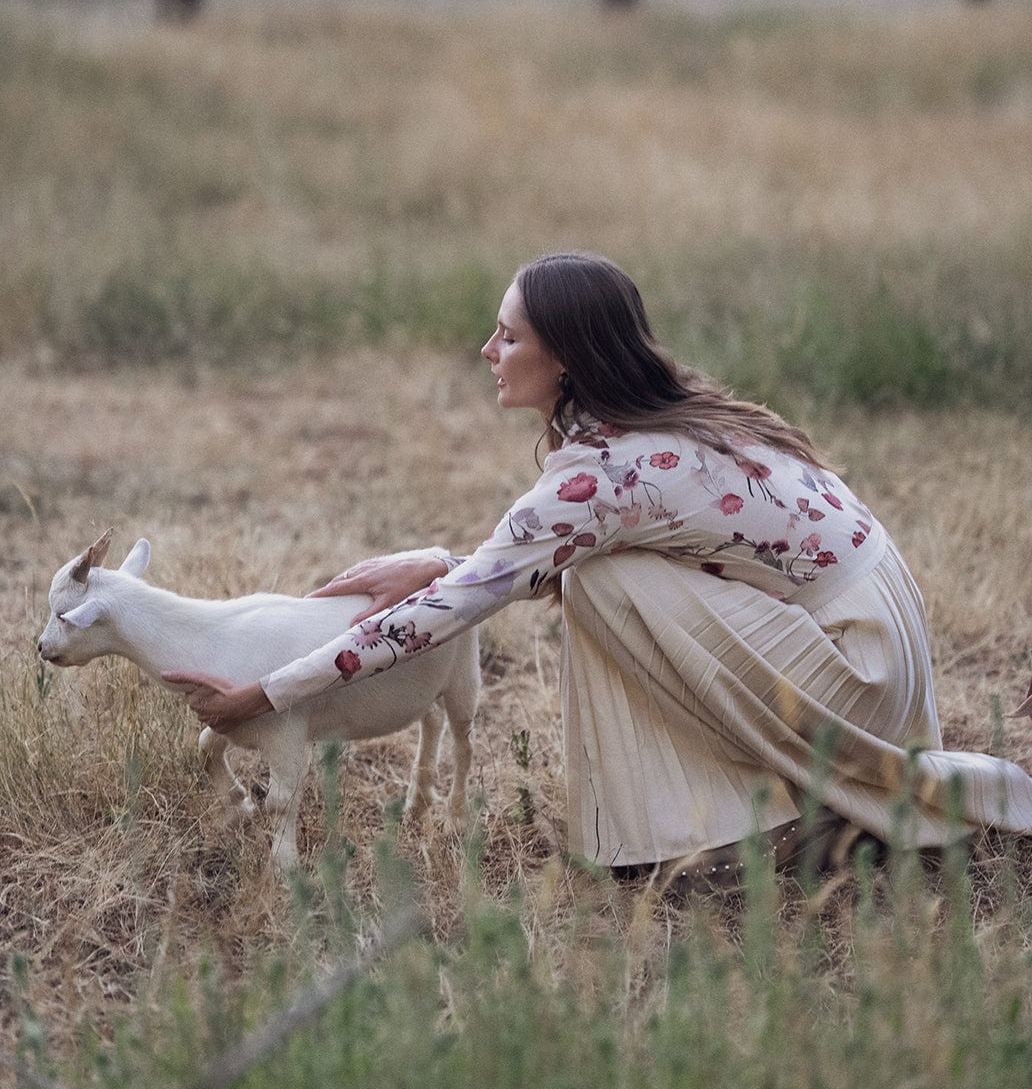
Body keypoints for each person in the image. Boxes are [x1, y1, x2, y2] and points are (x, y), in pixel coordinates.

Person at [166, 252, 1032, 885]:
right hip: (879, 629)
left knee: (603, 584)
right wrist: (446, 562)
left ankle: (725, 830)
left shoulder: (599, 470)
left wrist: (267, 693)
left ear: (567, 358)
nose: (486, 350)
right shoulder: (659, 410)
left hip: (859, 667)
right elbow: (529, 558)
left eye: (507, 336)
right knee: (598, 574)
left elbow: (449, 613)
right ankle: (739, 812)